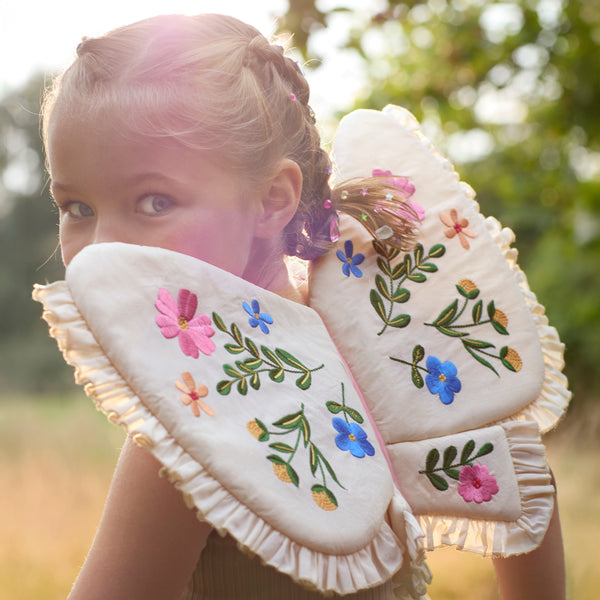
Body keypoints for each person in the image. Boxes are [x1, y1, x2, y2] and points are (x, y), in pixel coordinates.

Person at [39, 13, 566, 600]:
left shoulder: (201, 421)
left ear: (273, 200)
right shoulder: (371, 344)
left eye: (154, 200)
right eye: (76, 207)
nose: (101, 248)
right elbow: (517, 474)